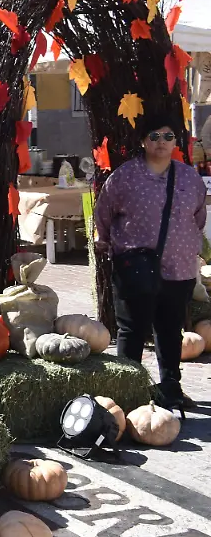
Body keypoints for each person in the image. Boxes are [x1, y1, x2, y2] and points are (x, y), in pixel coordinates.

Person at [95, 115, 206, 409]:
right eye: (154, 136)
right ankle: (126, 393)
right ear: (143, 141)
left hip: (179, 267)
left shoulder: (189, 178)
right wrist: (113, 248)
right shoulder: (123, 177)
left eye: (168, 137)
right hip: (136, 268)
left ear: (176, 142)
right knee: (132, 330)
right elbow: (103, 215)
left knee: (171, 330)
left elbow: (198, 217)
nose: (161, 142)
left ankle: (170, 387)